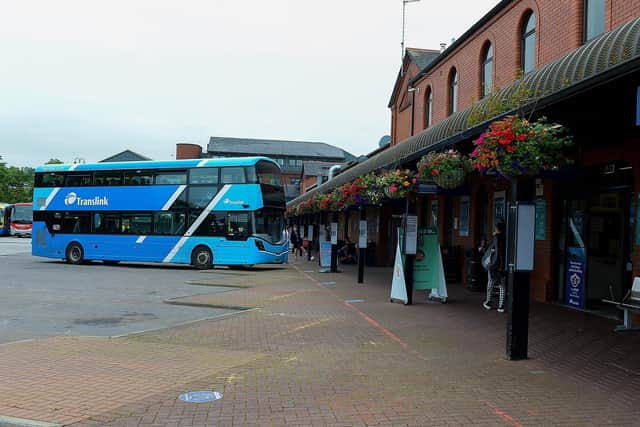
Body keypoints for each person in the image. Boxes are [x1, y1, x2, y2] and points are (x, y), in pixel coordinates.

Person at [481, 221, 507, 312]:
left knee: (490, 283)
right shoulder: (506, 238)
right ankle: (501, 306)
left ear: (497, 229)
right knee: (502, 285)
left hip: (494, 264)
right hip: (503, 265)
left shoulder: (496, 238)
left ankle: (488, 302)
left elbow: (492, 250)